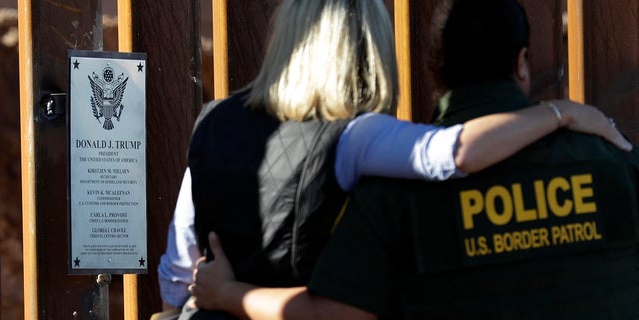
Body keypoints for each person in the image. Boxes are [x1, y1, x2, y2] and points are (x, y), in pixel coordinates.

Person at [185, 0, 639, 319]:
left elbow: (337, 312)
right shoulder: (614, 157)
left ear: (433, 72)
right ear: (522, 64)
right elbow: (454, 151)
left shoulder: (391, 186)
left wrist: (226, 295)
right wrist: (561, 112)